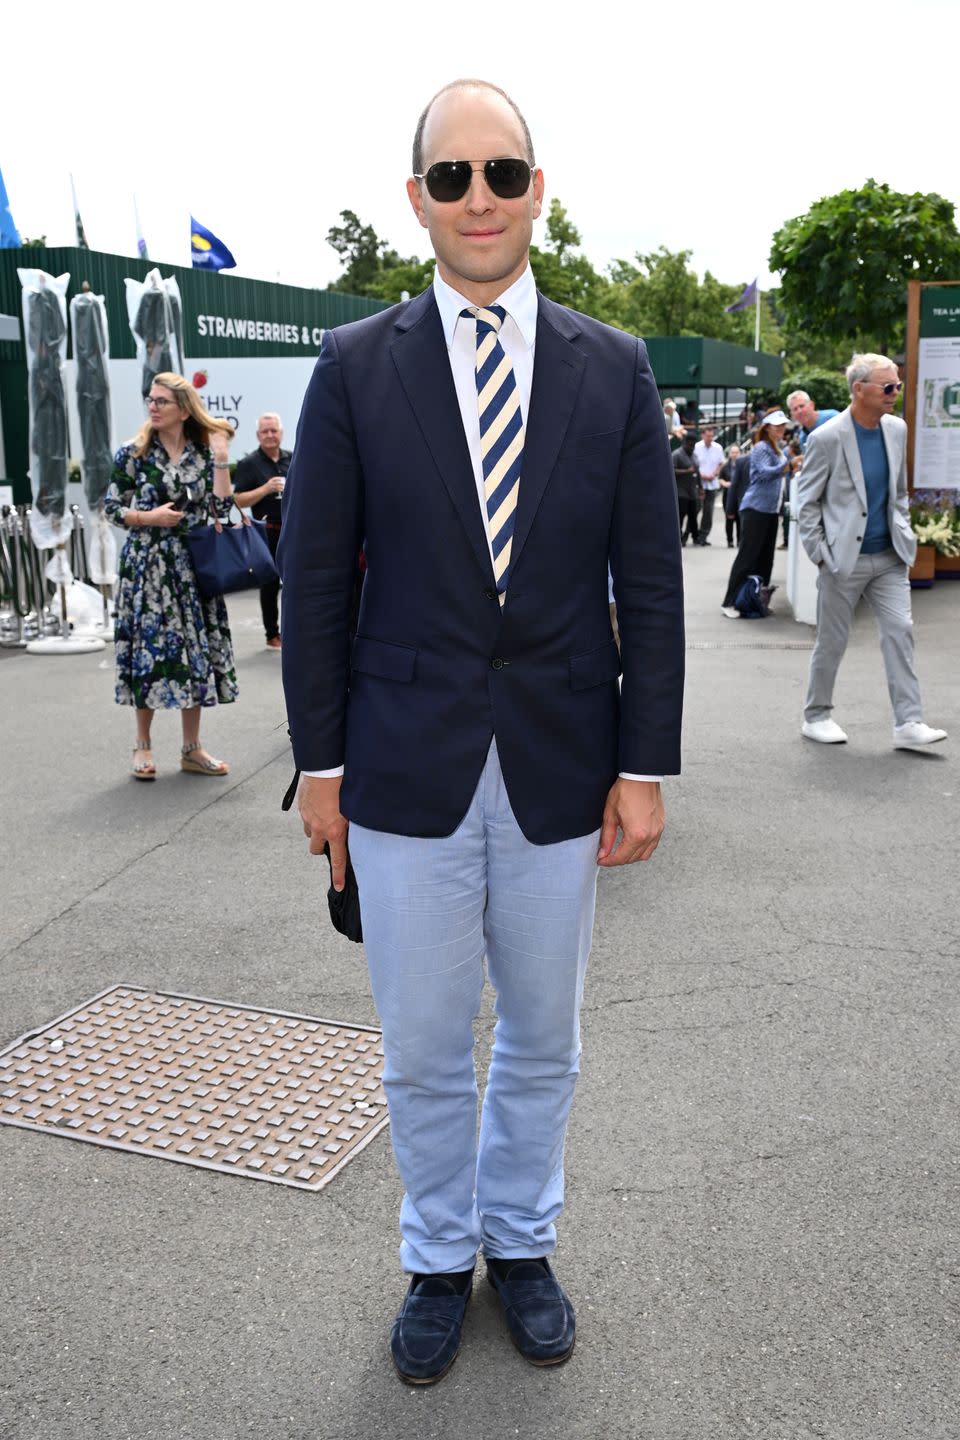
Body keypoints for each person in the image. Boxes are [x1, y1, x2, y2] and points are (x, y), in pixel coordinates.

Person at [279, 78, 685, 1386]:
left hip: (564, 762)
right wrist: (321, 769)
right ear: (417, 201)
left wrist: (644, 764)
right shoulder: (352, 365)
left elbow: (651, 577)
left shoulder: (614, 368)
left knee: (545, 1038)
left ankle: (521, 1243)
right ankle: (437, 1257)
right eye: (450, 177)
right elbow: (315, 582)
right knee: (423, 1044)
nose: (478, 199)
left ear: (537, 191)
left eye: (500, 172)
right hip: (401, 767)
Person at [795, 353, 947, 750]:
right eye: (888, 386)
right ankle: (816, 715)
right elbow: (806, 502)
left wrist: (902, 529)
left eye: (897, 385)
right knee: (832, 640)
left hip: (890, 558)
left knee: (901, 632)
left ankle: (909, 722)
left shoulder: (896, 429)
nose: (895, 393)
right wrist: (820, 553)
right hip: (842, 560)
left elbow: (898, 491)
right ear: (859, 389)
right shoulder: (825, 438)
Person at [105, 372, 237, 780]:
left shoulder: (201, 453)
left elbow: (223, 505)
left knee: (192, 654)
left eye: (162, 401)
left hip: (191, 567)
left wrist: (220, 458)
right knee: (148, 653)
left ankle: (191, 748)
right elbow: (111, 508)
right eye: (151, 399)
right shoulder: (134, 452)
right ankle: (142, 745)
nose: (153, 406)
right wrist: (151, 517)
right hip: (147, 568)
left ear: (184, 408)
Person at [720, 410, 790, 617]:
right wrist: (786, 466)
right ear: (767, 427)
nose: (781, 428)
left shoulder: (778, 449)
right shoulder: (761, 447)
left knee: (766, 559)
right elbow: (763, 472)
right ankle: (729, 603)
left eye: (783, 425)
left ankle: (758, 599)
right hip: (756, 508)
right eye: (777, 425)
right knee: (747, 557)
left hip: (769, 510)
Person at [232, 412, 290, 648]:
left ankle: (292, 631)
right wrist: (265, 488)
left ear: (281, 433)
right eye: (265, 431)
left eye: (273, 430)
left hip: (291, 530)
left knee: (294, 584)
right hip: (265, 531)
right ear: (258, 435)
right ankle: (272, 634)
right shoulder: (249, 463)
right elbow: (238, 500)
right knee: (268, 584)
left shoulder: (292, 458)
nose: (270, 435)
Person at [692, 424, 724, 545]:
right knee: (695, 509)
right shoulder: (697, 447)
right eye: (708, 436)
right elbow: (694, 464)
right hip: (699, 484)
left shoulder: (718, 447)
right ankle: (692, 533)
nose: (710, 438)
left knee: (708, 512)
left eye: (712, 436)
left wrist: (715, 473)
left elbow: (721, 463)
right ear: (703, 435)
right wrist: (703, 476)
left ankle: (703, 536)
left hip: (711, 484)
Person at [673, 431, 701, 545]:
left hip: (692, 490)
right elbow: (671, 471)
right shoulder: (677, 454)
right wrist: (686, 471)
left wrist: (701, 488)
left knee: (693, 515)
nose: (692, 447)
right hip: (681, 490)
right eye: (690, 445)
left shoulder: (694, 455)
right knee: (681, 515)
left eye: (694, 445)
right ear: (686, 443)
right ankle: (678, 538)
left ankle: (695, 537)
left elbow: (697, 472)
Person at [719, 443, 741, 547]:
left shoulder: (742, 465)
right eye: (733, 452)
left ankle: (740, 540)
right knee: (729, 518)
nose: (735, 454)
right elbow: (720, 479)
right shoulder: (725, 466)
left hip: (740, 496)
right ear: (729, 454)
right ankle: (730, 540)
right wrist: (725, 483)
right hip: (728, 495)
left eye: (736, 452)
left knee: (740, 519)